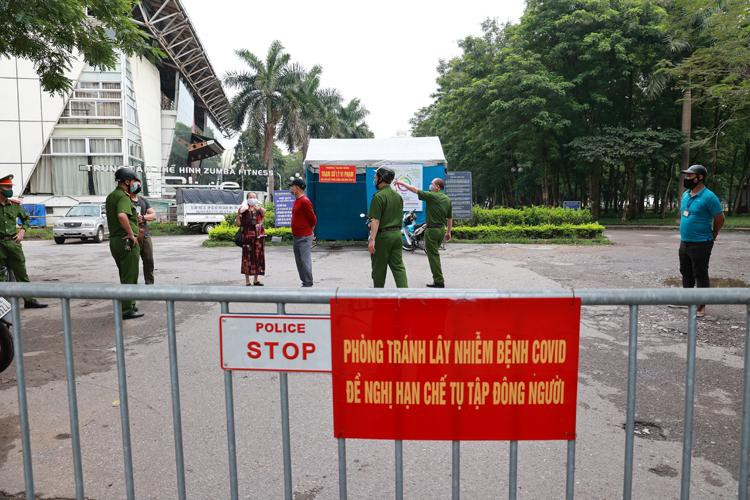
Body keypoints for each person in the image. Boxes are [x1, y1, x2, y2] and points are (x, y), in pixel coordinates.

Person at [679, 164, 724, 318]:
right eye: (686, 175)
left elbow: (720, 218)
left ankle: (701, 307)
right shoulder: (686, 195)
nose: (686, 178)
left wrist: (714, 234)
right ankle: (688, 301)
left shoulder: (709, 197)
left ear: (700, 177)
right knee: (686, 272)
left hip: (701, 242)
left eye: (690, 176)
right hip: (685, 242)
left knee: (700, 273)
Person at [394, 177, 453, 287]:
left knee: (433, 256)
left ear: (437, 187)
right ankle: (438, 278)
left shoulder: (432, 196)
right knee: (435, 254)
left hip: (432, 231)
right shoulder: (447, 199)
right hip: (441, 230)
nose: (430, 185)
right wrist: (449, 232)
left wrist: (401, 182)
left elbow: (414, 190)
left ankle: (439, 281)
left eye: (432, 184)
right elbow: (449, 218)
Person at [0, 175, 47, 309]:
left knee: (21, 273)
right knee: (1, 277)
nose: (10, 189)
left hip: (13, 244)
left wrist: (22, 231)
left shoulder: (14, 206)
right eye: (7, 187)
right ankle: (4, 306)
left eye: (10, 187)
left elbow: (26, 219)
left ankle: (29, 300)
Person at [105, 167, 143, 320]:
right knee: (130, 275)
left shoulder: (111, 196)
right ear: (127, 181)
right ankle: (127, 309)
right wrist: (130, 234)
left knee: (125, 274)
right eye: (133, 181)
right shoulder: (122, 197)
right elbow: (121, 215)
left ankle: (130, 303)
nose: (135, 184)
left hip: (116, 241)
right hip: (126, 241)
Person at [368, 167, 408, 288]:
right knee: (398, 267)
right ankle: (405, 296)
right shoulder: (398, 196)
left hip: (383, 237)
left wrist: (372, 240)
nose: (374, 179)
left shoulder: (378, 197)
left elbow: (375, 220)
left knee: (379, 269)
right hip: (397, 235)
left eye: (376, 176)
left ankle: (379, 298)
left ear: (381, 178)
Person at [289, 178, 317, 287]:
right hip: (296, 236)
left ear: (297, 188)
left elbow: (313, 219)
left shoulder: (305, 201)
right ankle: (304, 281)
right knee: (299, 261)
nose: (291, 188)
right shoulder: (297, 200)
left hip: (304, 236)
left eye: (292, 186)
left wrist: (310, 232)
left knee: (305, 260)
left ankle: (308, 282)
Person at [129, 183, 156, 284]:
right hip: (132, 235)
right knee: (132, 263)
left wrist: (144, 217)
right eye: (134, 184)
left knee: (149, 261)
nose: (137, 186)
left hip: (145, 235)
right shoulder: (126, 200)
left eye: (138, 184)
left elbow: (153, 214)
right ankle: (132, 286)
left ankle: (149, 285)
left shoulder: (143, 200)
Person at [239, 192, 266, 286]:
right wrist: (241, 211)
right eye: (250, 197)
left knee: (258, 256)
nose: (252, 199)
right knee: (247, 257)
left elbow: (264, 214)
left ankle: (255, 279)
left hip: (258, 237)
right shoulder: (244, 209)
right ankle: (247, 280)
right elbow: (238, 223)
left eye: (254, 197)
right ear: (247, 199)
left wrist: (259, 208)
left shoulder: (258, 209)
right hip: (247, 237)